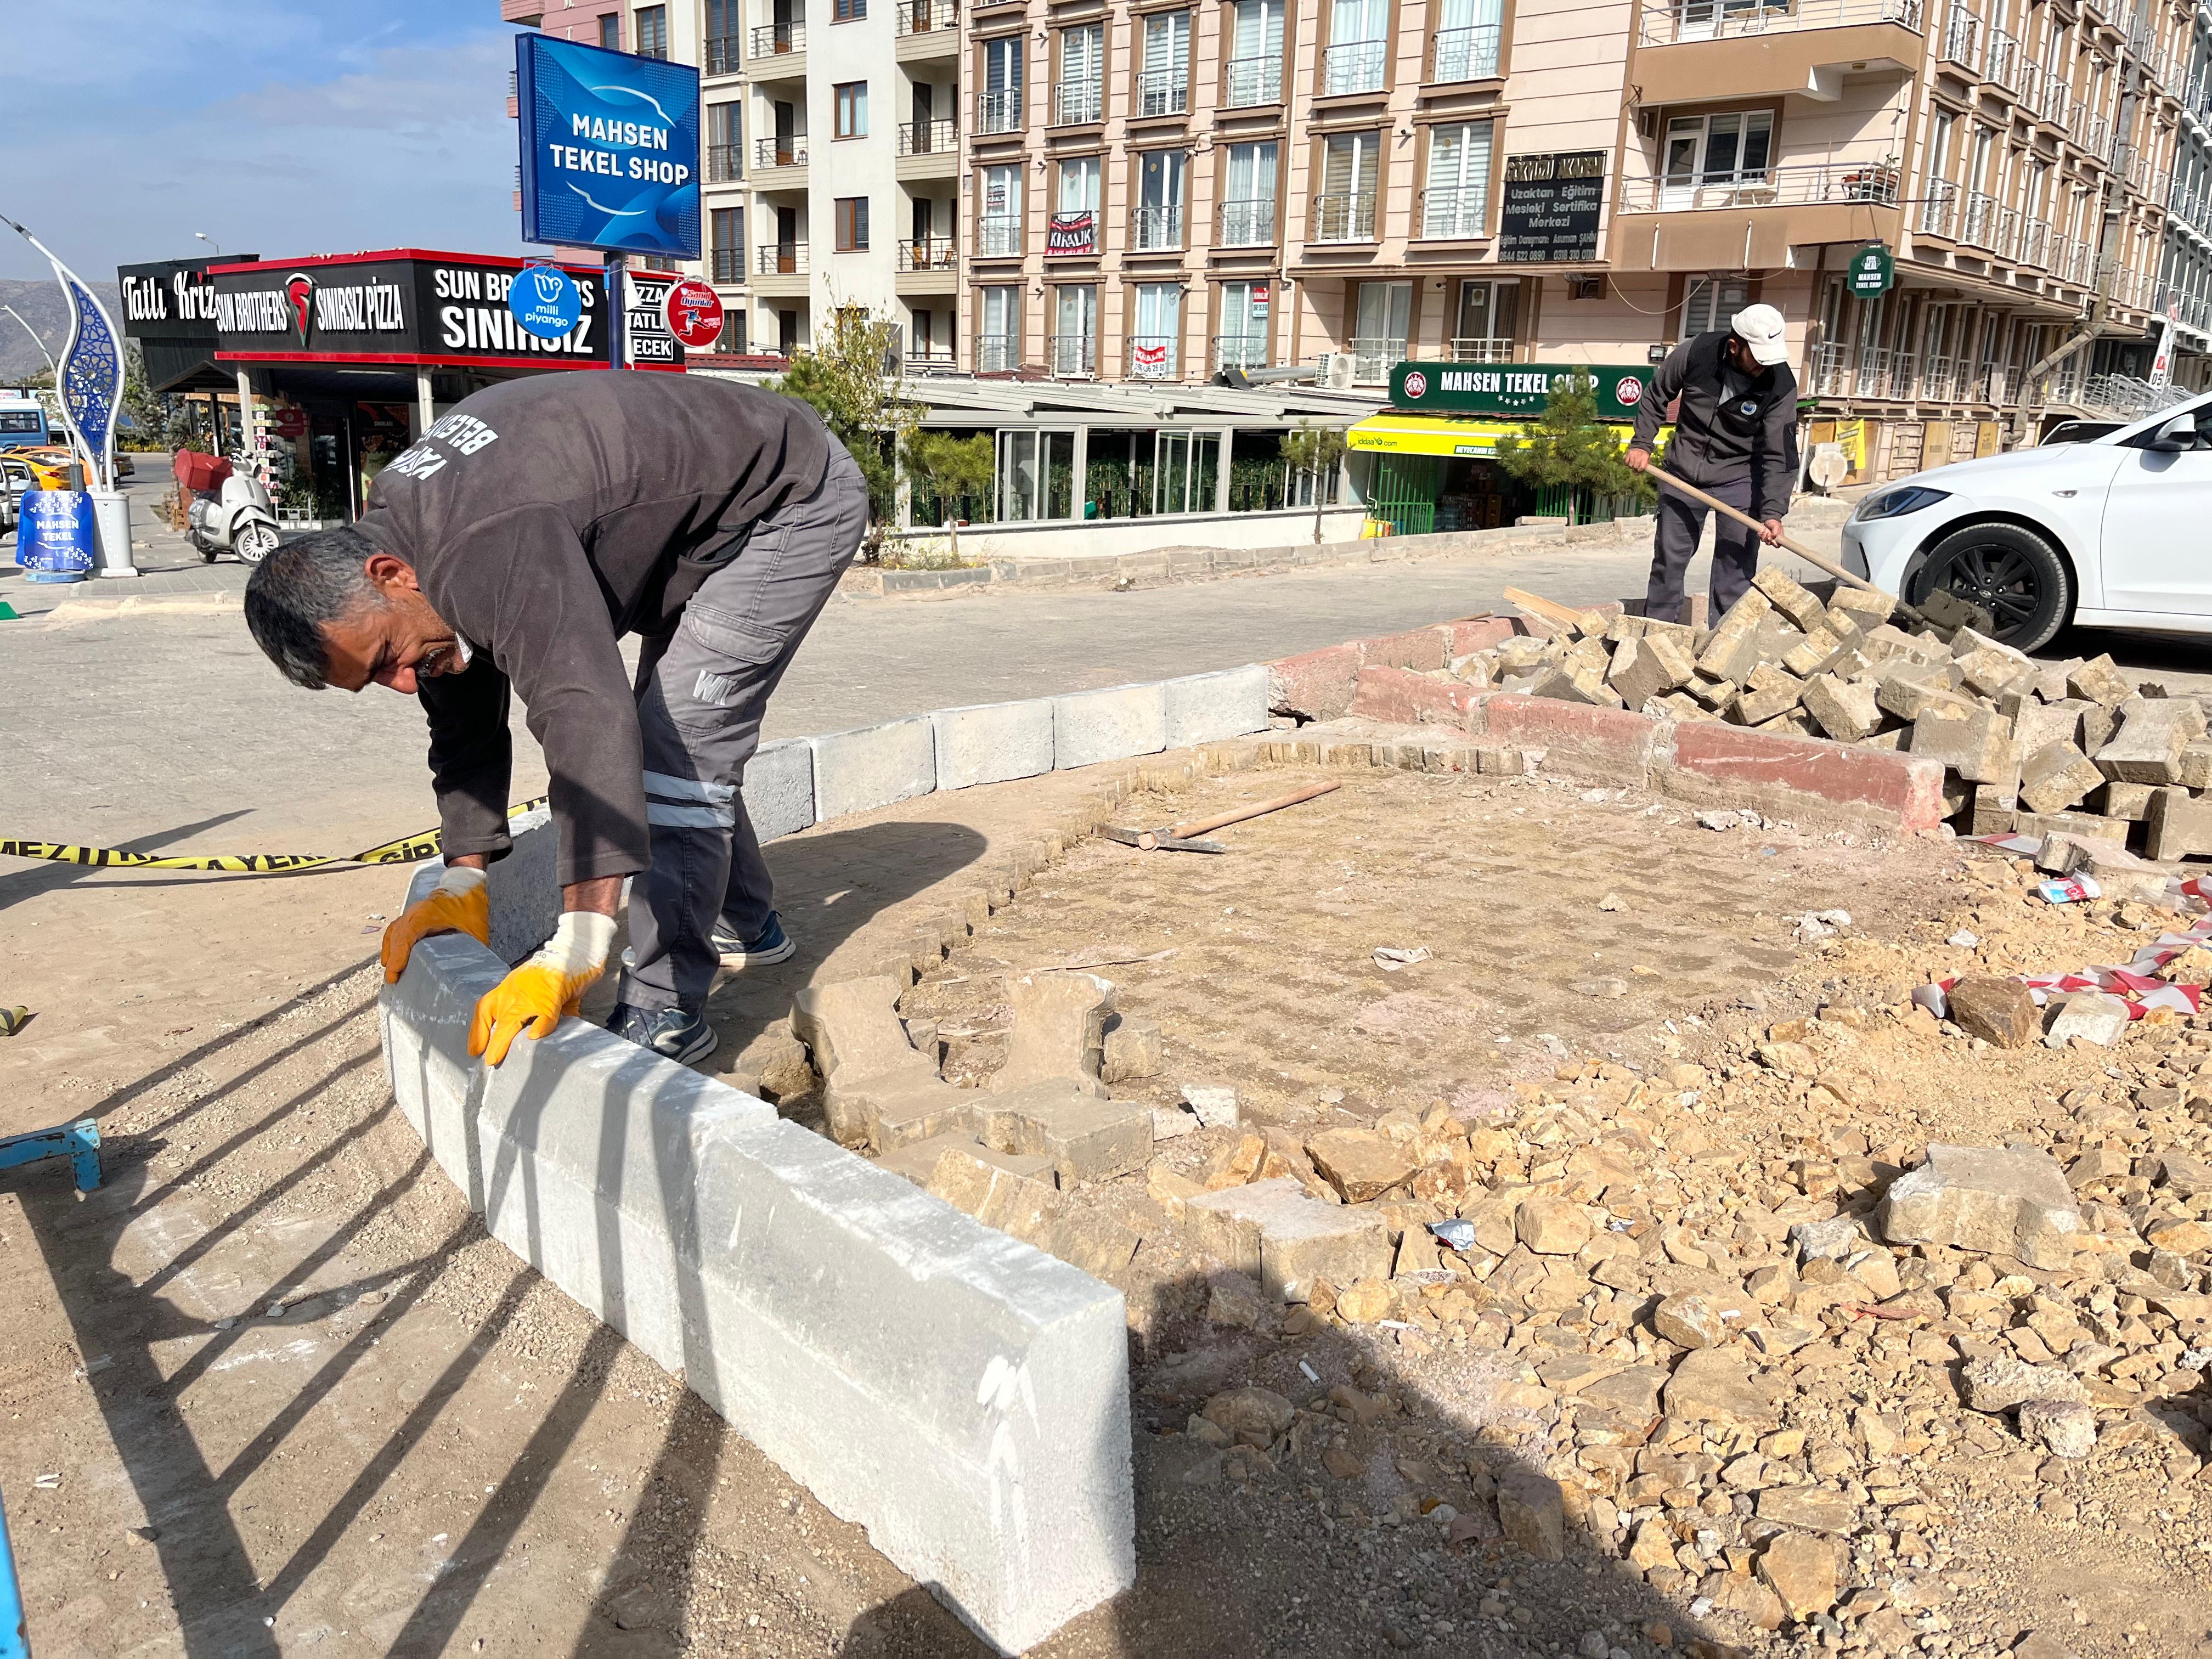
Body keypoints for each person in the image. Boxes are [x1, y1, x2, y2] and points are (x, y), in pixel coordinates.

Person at [243, 371, 866, 1069]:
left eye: (387, 657)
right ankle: (747, 922)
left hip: (788, 499)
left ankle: (666, 1007)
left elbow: (585, 714)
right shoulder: (410, 551)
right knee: (673, 739)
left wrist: (579, 940)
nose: (401, 683)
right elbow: (462, 711)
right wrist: (463, 878)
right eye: (375, 679)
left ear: (390, 574)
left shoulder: (486, 542)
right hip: (704, 511)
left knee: (676, 743)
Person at [1625, 302, 1798, 624]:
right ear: (1735, 346)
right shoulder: (1696, 352)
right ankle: (1658, 634)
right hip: (1682, 473)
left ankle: (1725, 642)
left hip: (1740, 479)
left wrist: (1773, 512)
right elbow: (1656, 395)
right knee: (1669, 563)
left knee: (1736, 569)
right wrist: (1641, 443)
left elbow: (1781, 454)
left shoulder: (1781, 384)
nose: (1765, 365)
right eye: (1758, 357)